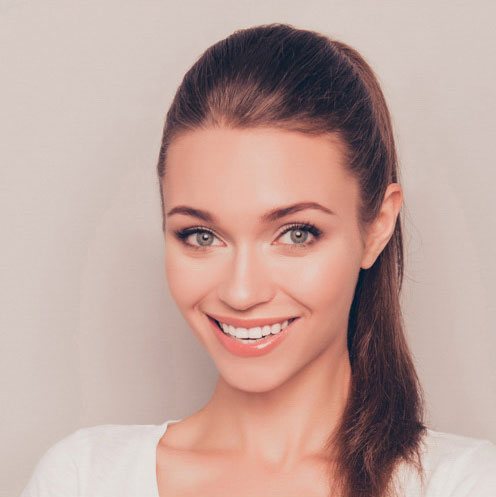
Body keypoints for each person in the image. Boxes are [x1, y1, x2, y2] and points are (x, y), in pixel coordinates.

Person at [20, 23, 496, 497]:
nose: (241, 292)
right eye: (202, 236)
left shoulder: (465, 483)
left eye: (296, 233)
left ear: (377, 226)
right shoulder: (83, 478)